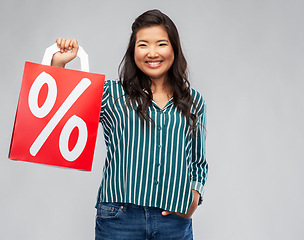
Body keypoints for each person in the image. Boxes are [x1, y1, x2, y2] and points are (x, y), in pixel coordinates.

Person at [51, 9, 208, 240]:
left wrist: (193, 198)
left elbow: (198, 162)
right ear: (133, 51)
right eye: (143, 44)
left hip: (174, 222)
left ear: (174, 48)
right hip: (119, 219)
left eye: (161, 44)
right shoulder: (110, 94)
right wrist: (58, 63)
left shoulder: (194, 101)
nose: (152, 53)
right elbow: (60, 114)